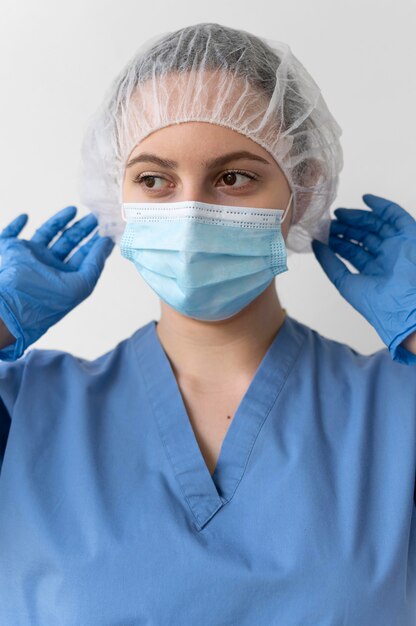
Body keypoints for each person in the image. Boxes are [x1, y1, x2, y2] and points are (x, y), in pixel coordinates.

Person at [0, 22, 415, 625]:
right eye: (154, 180)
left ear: (301, 188)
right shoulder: (27, 410)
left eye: (233, 177)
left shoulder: (395, 412)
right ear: (120, 198)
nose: (190, 211)